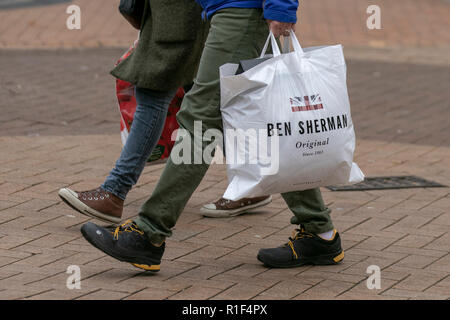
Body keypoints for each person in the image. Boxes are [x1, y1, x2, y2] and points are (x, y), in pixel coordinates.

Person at [80, 0, 344, 272]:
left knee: (200, 122)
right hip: (228, 11)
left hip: (241, 12)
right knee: (258, 123)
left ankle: (148, 233)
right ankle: (319, 232)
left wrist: (280, 7)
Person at [58, 0, 271, 225]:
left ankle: (116, 193)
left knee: (155, 94)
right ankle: (253, 182)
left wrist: (280, 9)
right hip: (186, 16)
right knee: (210, 102)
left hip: (180, 17)